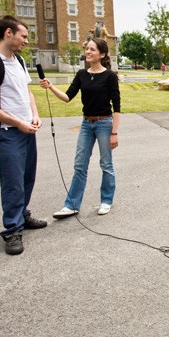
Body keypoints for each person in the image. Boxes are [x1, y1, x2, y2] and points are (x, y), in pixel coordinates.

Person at [0, 15, 47, 255]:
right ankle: (12, 230)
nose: (26, 41)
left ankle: (22, 215)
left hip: (28, 129)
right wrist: (18, 122)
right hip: (9, 132)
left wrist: (35, 115)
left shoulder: (19, 61)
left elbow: (27, 92)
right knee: (12, 182)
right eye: (23, 36)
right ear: (8, 33)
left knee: (27, 177)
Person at [39, 38, 121, 218]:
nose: (88, 51)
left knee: (106, 164)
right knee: (79, 165)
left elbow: (117, 106)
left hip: (104, 123)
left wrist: (114, 133)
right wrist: (51, 86)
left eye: (92, 49)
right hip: (86, 124)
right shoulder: (82, 74)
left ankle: (106, 200)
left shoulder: (110, 76)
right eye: (87, 49)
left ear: (102, 54)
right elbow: (68, 97)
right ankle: (71, 205)